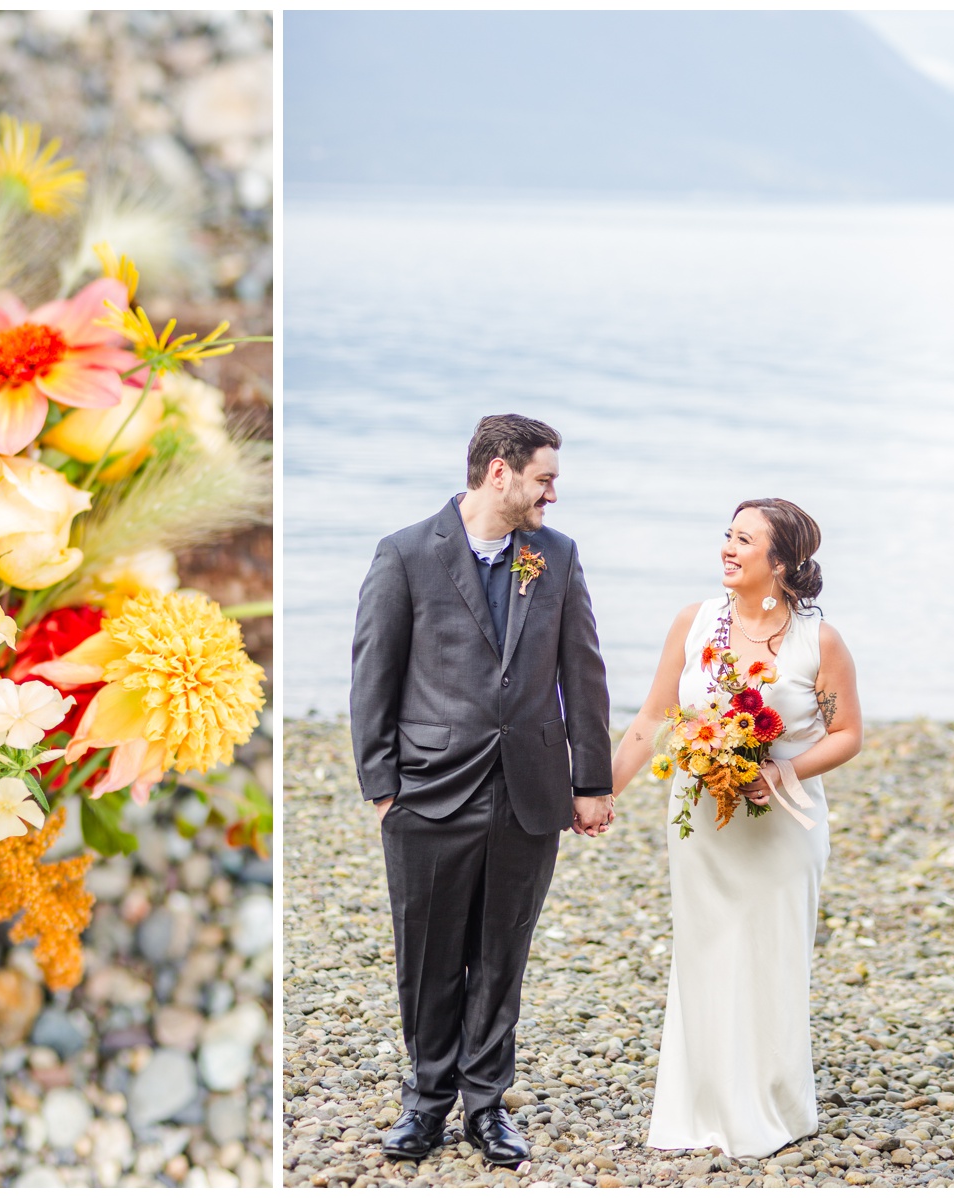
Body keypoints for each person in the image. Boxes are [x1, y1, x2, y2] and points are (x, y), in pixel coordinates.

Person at [350, 413, 614, 1167]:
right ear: (500, 473)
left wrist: (589, 780)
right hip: (428, 792)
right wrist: (382, 788)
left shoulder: (556, 557)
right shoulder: (404, 553)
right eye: (545, 479)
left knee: (503, 952)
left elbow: (582, 674)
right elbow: (373, 674)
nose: (552, 495)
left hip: (529, 791)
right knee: (428, 954)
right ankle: (426, 1102)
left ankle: (486, 1107)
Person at [611, 499, 862, 1159]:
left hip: (782, 826)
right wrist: (600, 793)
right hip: (700, 820)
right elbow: (652, 718)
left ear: (780, 562)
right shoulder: (694, 624)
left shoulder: (819, 641)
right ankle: (698, 1109)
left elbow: (846, 735)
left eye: (744, 540)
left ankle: (774, 1107)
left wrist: (782, 770)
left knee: (771, 956)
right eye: (727, 535)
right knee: (704, 954)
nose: (727, 547)